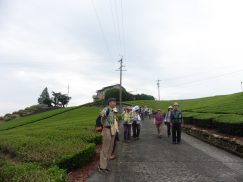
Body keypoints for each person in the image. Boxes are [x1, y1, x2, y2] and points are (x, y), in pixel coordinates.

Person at [98, 98, 117, 173]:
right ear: (109, 103)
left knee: (110, 148)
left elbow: (114, 121)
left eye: (115, 102)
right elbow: (103, 113)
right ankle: (101, 167)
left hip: (113, 130)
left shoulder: (113, 110)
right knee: (105, 148)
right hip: (107, 130)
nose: (114, 103)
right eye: (113, 101)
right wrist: (102, 114)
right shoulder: (106, 109)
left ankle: (105, 166)